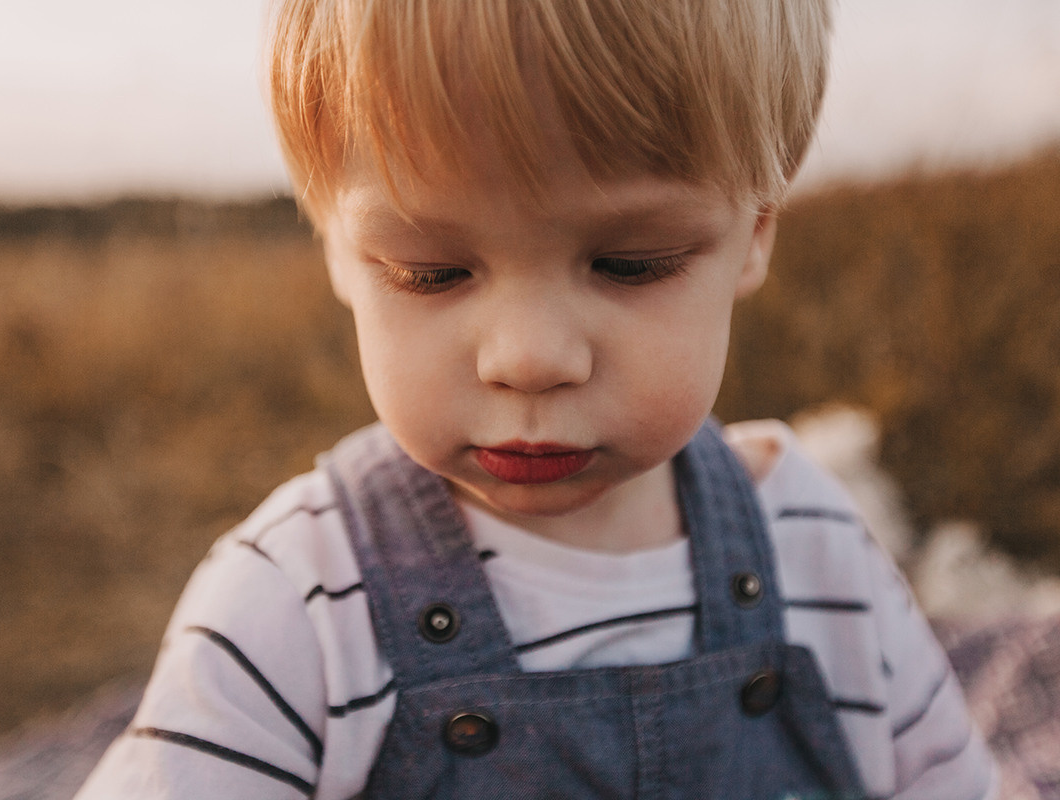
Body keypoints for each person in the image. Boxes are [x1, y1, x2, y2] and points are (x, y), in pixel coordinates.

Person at [76, 0, 997, 797]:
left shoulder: (818, 553)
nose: (528, 360)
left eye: (630, 264)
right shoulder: (296, 605)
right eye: (429, 272)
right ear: (338, 253)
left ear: (753, 233)